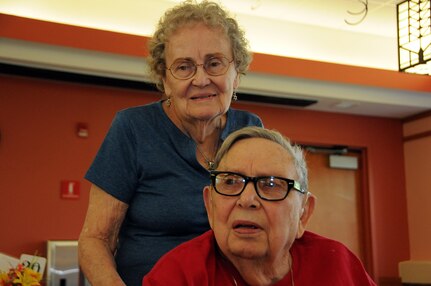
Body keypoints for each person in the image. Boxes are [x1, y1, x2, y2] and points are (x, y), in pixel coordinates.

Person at [78, 1, 263, 285]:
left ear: (236, 73)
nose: (201, 79)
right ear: (165, 80)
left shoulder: (251, 130)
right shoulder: (133, 129)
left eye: (214, 63)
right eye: (184, 67)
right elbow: (95, 239)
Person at [143, 126, 376, 286]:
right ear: (210, 206)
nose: (247, 200)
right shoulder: (178, 274)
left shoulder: (336, 265)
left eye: (271, 184)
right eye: (231, 182)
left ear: (303, 213)